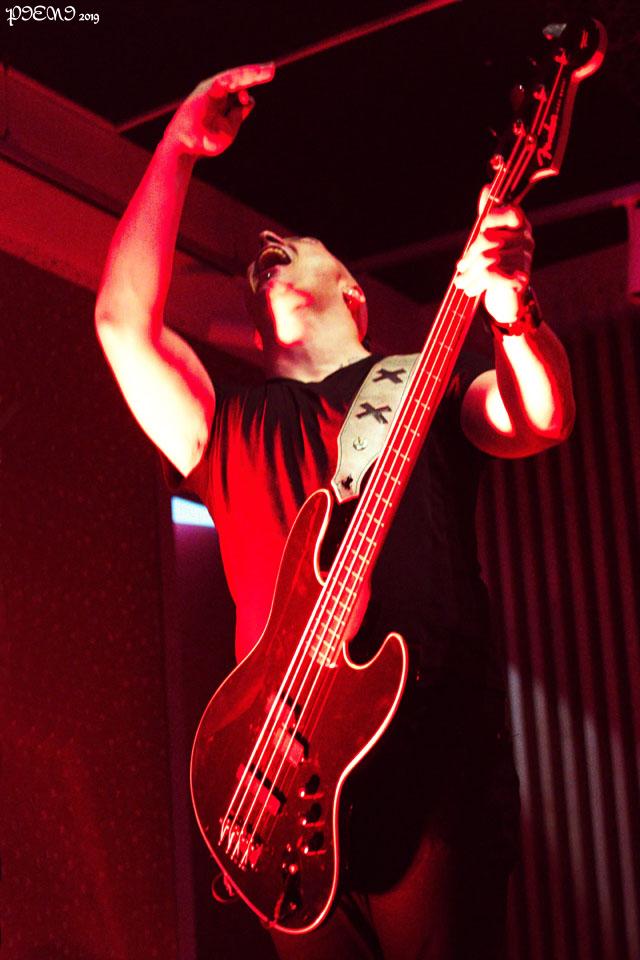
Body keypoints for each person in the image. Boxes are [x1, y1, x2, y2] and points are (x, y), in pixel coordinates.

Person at [95, 64, 575, 960]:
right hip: (281, 792)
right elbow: (123, 325)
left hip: (430, 765)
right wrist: (177, 148)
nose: (267, 242)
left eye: (295, 242)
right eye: (263, 250)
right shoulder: (227, 424)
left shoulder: (421, 385)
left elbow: (539, 418)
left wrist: (512, 311)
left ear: (354, 293)